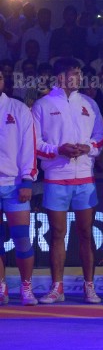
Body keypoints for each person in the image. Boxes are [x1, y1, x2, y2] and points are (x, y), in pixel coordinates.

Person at [33, 57, 103, 304]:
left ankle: (89, 286)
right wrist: (58, 150)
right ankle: (57, 287)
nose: (78, 78)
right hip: (56, 177)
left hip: (85, 177)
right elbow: (35, 142)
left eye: (79, 73)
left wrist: (87, 148)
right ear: (61, 76)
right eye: (73, 74)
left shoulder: (89, 103)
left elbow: (101, 135)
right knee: (57, 233)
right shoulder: (43, 105)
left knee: (86, 233)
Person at [0, 65, 38, 305]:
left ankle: (26, 287)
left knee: (21, 238)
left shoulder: (18, 108)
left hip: (14, 183)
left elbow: (28, 147)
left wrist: (27, 180)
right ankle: (1, 287)